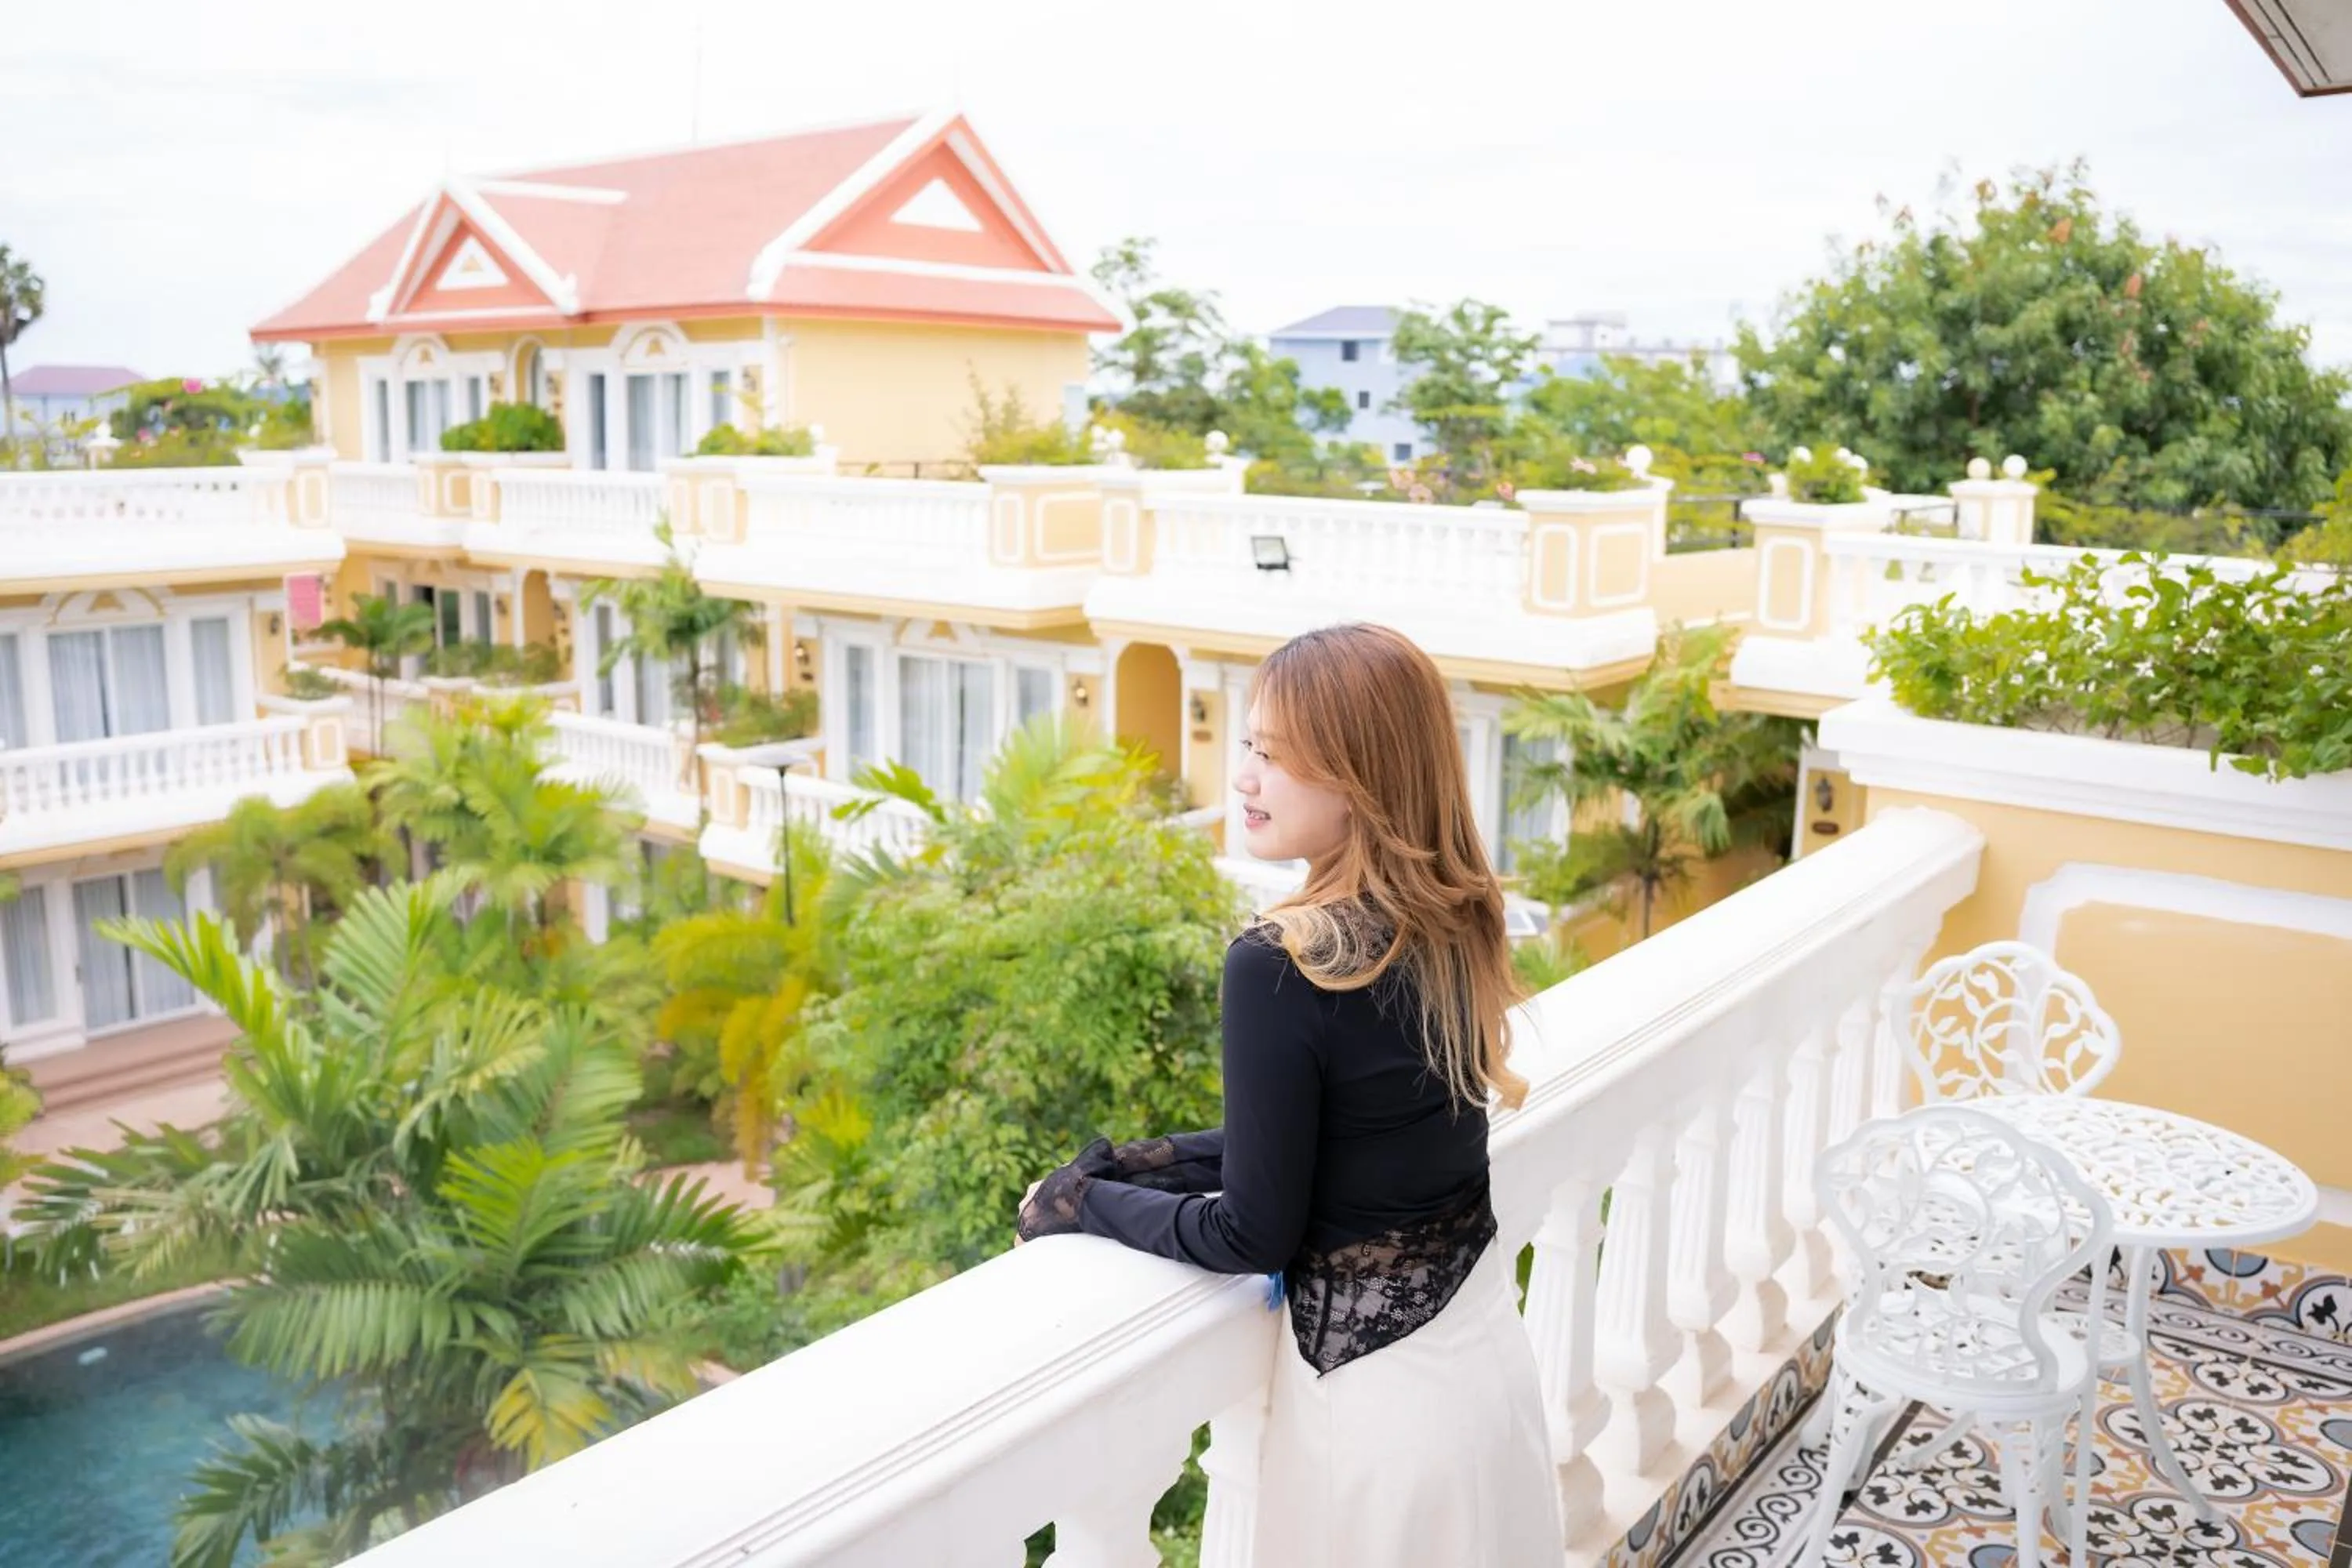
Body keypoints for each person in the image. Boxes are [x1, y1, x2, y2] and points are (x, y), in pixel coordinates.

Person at [1015, 622, 1562, 1566]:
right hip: (1485, 1380)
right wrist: (1136, 1166)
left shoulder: (1280, 962)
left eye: (1272, 755)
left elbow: (1252, 1231)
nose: (1243, 779)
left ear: (1357, 776)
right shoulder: (1444, 919)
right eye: (1247, 749)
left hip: (1373, 1429)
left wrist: (1082, 1202)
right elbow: (1330, 1139)